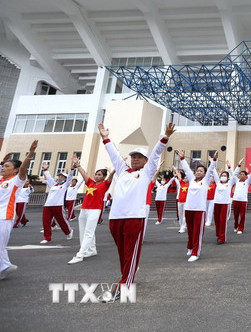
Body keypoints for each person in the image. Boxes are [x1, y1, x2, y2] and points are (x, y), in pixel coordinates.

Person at [98, 121, 175, 300]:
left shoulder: (147, 171)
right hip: (116, 218)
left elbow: (156, 153)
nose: (135, 159)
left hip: (135, 218)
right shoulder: (123, 170)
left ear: (146, 161)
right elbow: (114, 155)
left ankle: (124, 285)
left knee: (131, 253)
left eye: (139, 157)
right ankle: (129, 272)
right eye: (133, 156)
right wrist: (106, 138)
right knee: (123, 252)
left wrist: (165, 137)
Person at [67, 154, 115, 264]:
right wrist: (77, 164)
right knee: (84, 231)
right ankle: (92, 250)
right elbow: (84, 174)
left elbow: (110, 177)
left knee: (88, 232)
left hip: (94, 210)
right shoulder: (91, 183)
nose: (96, 176)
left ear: (103, 177)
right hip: (84, 209)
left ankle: (80, 255)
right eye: (96, 174)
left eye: (99, 175)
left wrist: (113, 171)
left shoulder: (104, 185)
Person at [0, 141, 37, 280]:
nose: (3, 168)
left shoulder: (17, 180)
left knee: (0, 246)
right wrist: (3, 161)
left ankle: (5, 267)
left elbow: (23, 169)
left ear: (15, 170)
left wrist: (31, 153)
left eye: (7, 166)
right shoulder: (1, 180)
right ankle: (5, 266)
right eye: (3, 166)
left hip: (5, 217)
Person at [176, 150, 217, 262]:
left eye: (201, 171)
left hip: (199, 209)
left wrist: (214, 160)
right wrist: (182, 158)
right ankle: (190, 247)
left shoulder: (206, 181)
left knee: (197, 232)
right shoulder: (191, 180)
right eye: (197, 171)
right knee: (190, 230)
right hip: (189, 208)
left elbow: (211, 170)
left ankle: (196, 252)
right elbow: (186, 168)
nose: (198, 172)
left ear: (204, 173)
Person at [40, 161, 74, 243]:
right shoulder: (53, 184)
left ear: (65, 179)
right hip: (48, 205)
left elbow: (69, 177)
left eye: (62, 177)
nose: (60, 177)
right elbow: (48, 177)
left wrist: (72, 169)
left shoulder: (65, 185)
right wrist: (45, 168)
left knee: (61, 220)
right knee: (46, 221)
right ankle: (47, 238)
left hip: (58, 205)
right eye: (59, 176)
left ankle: (68, 232)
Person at [212, 161, 237, 244]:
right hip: (216, 203)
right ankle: (218, 234)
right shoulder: (218, 182)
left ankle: (222, 238)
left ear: (227, 177)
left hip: (225, 204)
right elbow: (214, 172)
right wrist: (212, 161)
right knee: (217, 220)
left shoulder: (229, 183)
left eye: (225, 176)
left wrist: (230, 168)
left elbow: (234, 175)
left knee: (223, 221)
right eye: (222, 175)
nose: (223, 177)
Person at [231, 162, 251, 235]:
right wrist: (238, 165)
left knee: (242, 215)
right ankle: (236, 226)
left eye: (243, 174)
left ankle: (241, 228)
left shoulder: (247, 182)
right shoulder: (236, 181)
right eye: (241, 174)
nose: (242, 175)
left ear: (246, 176)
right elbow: (233, 174)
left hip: (243, 201)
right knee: (235, 215)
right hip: (235, 200)